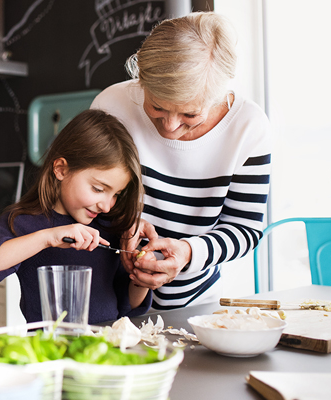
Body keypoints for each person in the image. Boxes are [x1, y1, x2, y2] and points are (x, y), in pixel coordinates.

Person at [90, 12, 272, 310]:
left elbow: (245, 229)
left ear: (220, 94)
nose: (170, 127)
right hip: (107, 302)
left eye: (190, 114)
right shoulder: (112, 106)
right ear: (141, 80)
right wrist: (122, 222)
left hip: (195, 304)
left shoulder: (248, 128)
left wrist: (188, 251)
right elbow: (84, 196)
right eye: (157, 107)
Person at [0, 109, 152, 324]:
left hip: (106, 353)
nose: (106, 205)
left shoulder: (112, 227)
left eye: (116, 194)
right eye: (97, 189)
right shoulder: (26, 222)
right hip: (48, 354)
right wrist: (47, 238)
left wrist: (141, 279)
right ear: (61, 169)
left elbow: (128, 308)